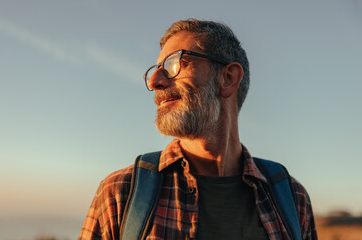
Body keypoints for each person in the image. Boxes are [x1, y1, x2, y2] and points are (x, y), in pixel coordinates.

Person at [78, 18, 317, 240]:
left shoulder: (291, 198)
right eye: (156, 69)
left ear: (228, 78)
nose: (155, 82)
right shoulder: (121, 192)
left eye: (174, 64)